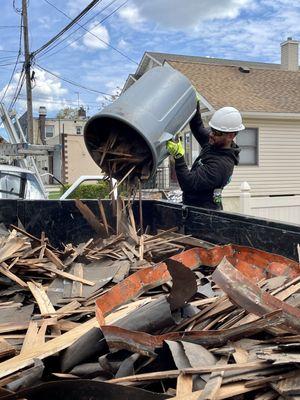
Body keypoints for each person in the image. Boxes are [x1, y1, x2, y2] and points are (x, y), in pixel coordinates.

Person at [166, 101, 245, 210]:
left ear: (230, 136)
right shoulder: (215, 144)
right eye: (212, 130)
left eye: (217, 133)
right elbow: (197, 127)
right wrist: (195, 103)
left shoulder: (221, 166)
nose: (211, 134)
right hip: (192, 207)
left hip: (204, 216)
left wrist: (179, 156)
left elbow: (188, 184)